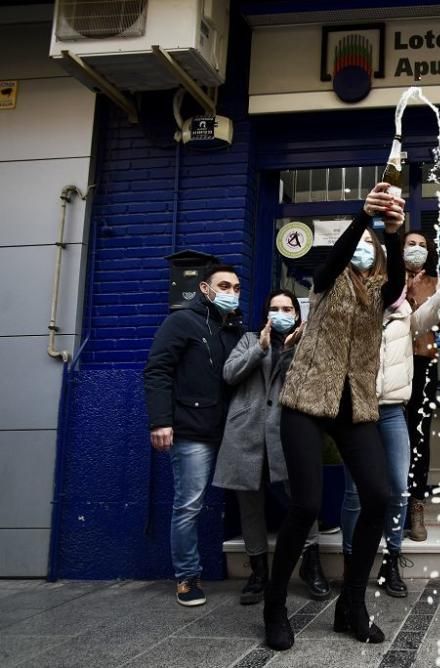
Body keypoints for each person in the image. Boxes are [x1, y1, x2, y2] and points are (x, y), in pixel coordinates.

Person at [262, 183, 405, 650]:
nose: (364, 251)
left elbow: (400, 282)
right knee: (305, 504)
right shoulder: (326, 281)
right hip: (305, 399)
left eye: (371, 248)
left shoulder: (382, 291)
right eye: (358, 246)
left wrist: (396, 232)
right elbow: (331, 261)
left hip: (356, 403)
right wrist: (363, 218)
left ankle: (352, 606)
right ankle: (275, 603)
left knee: (379, 497)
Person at [341, 244, 440, 598]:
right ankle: (350, 561)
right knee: (354, 493)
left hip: (391, 411)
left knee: (399, 488)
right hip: (356, 410)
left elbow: (433, 310)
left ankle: (392, 558)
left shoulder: (405, 311)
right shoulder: (347, 305)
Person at [213, 290, 333, 605]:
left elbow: (316, 383)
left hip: (288, 432)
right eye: (274, 308)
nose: (280, 313)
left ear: (297, 313)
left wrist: (290, 351)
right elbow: (229, 374)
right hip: (247, 432)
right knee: (250, 506)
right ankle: (258, 572)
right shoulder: (250, 339)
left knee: (303, 499)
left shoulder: (308, 342)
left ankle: (311, 565)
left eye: (287, 308)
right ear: (266, 313)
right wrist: (260, 349)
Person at [144, 264, 244, 607]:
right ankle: (187, 577)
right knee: (188, 505)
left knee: (254, 491)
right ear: (204, 288)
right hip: (192, 431)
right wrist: (160, 421)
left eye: (236, 287)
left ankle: (258, 571)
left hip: (230, 429)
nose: (232, 292)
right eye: (225, 285)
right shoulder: (182, 322)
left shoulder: (235, 329)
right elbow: (157, 370)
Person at [403, 231, 440, 542]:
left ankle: (416, 510)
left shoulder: (435, 284)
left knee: (418, 438)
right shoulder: (385, 279)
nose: (417, 249)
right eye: (411, 243)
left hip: (423, 366)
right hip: (389, 366)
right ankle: (393, 506)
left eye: (423, 245)